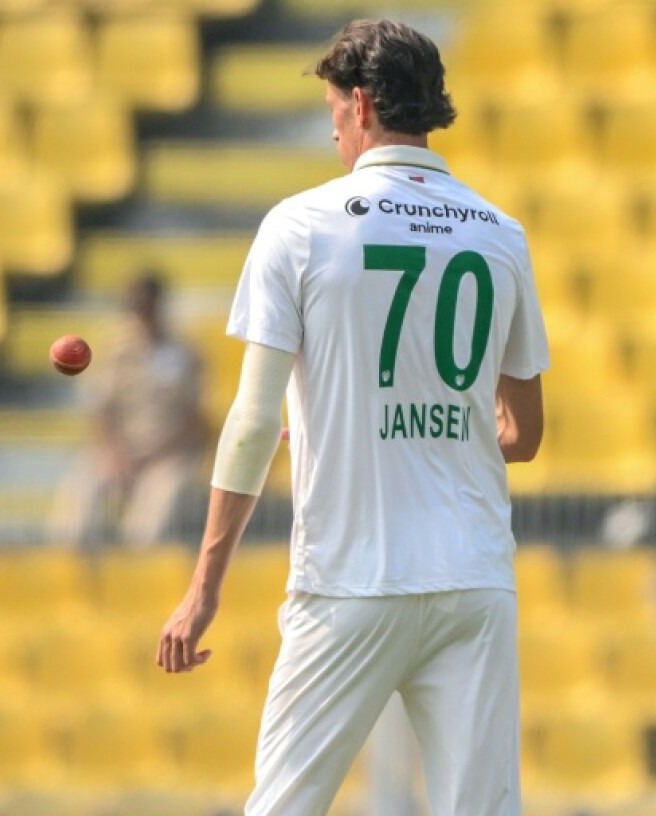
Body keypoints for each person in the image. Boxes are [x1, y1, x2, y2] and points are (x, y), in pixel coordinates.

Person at [157, 19, 548, 816]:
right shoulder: (501, 235)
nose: (336, 131)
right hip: (474, 579)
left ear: (361, 104)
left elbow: (254, 422)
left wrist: (204, 588)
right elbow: (523, 434)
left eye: (336, 113)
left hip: (352, 578)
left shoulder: (301, 227)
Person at [49, 272, 207, 549]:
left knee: (148, 521)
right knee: (75, 509)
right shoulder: (115, 352)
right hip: (120, 450)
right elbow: (101, 410)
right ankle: (67, 574)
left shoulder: (185, 354)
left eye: (147, 306)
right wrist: (115, 453)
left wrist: (155, 455)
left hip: (169, 455)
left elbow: (193, 418)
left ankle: (133, 580)